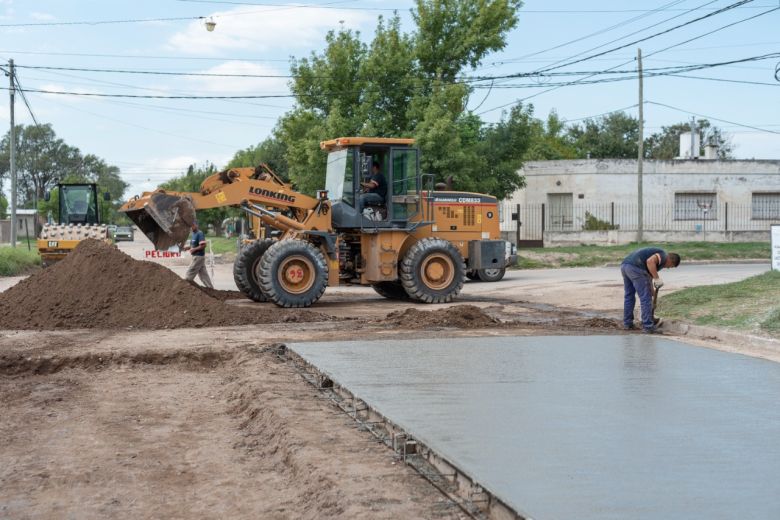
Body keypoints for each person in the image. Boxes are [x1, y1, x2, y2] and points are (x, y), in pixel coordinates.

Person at [621, 247, 680, 333]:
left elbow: (649, 275)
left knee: (629, 296)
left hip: (625, 266)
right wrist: (657, 278)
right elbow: (650, 262)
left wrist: (652, 290)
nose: (668, 268)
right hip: (636, 267)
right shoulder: (663, 255)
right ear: (671, 260)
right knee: (646, 299)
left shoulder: (658, 260)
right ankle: (648, 326)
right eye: (670, 266)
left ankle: (627, 323)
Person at [183, 221, 214, 289]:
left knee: (189, 274)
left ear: (196, 225)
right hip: (196, 257)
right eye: (190, 226)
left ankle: (185, 289)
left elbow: (203, 245)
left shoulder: (200, 233)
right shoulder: (194, 234)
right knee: (203, 275)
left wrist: (194, 250)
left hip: (198, 257)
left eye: (192, 225)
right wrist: (187, 248)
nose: (191, 227)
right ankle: (211, 289)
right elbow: (193, 245)